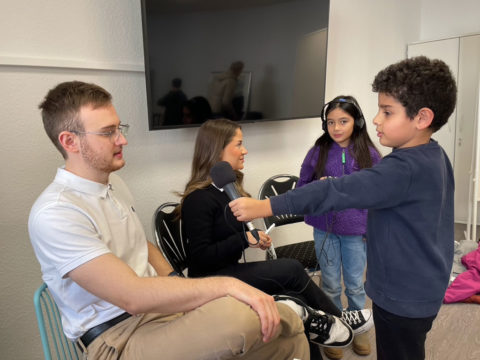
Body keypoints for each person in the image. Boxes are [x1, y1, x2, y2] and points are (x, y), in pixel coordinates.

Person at [28, 81, 311, 360]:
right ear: (69, 141)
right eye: (108, 132)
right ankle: (293, 311)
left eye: (119, 129)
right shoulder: (56, 213)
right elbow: (133, 296)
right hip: (117, 338)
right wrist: (229, 286)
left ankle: (296, 316)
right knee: (238, 314)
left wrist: (177, 284)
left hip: (161, 313)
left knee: (290, 336)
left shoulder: (115, 185)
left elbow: (143, 245)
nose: (122, 139)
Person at [229, 56, 457, 360]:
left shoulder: (401, 169)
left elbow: (332, 190)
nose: (376, 119)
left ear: (422, 118)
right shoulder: (435, 154)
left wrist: (264, 206)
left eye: (387, 112)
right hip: (424, 287)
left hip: (402, 296)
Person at [179, 118, 373, 350]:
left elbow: (227, 236)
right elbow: (200, 259)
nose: (245, 150)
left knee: (297, 300)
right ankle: (338, 317)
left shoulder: (227, 192)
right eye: (239, 144)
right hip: (211, 282)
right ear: (217, 149)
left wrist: (254, 238)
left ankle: (322, 333)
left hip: (227, 272)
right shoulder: (198, 200)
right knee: (290, 268)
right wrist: (243, 239)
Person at [297, 95, 381, 359]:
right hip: (325, 230)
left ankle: (359, 330)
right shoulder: (317, 152)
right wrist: (318, 185)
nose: (336, 128)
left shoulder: (370, 153)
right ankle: (336, 329)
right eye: (331, 122)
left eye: (343, 121)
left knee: (355, 285)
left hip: (357, 233)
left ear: (356, 122)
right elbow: (301, 189)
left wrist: (371, 229)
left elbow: (379, 195)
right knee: (331, 284)